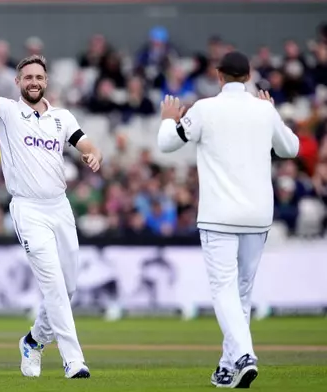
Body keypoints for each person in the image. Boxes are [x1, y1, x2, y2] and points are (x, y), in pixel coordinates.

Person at [0, 29, 102, 379]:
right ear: (18, 81)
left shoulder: (62, 117)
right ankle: (74, 360)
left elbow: (86, 144)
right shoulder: (7, 112)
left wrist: (93, 156)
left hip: (60, 207)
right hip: (28, 209)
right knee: (53, 285)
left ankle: (34, 341)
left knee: (68, 288)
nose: (34, 82)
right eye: (28, 77)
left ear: (46, 81)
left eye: (39, 77)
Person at [157, 51, 299, 388]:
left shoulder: (206, 108)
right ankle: (227, 365)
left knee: (224, 290)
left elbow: (166, 145)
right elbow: (291, 149)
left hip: (219, 215)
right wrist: (273, 113)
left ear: (219, 75)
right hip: (257, 216)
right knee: (242, 292)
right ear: (248, 76)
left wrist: (168, 118)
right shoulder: (264, 110)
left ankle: (244, 355)